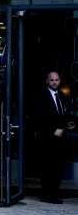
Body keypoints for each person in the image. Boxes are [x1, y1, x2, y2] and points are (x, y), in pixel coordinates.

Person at [35, 71, 69, 204]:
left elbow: (65, 115)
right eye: (52, 80)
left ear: (59, 81)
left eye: (56, 80)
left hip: (61, 138)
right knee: (48, 167)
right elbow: (39, 117)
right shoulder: (41, 96)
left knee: (59, 167)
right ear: (47, 81)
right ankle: (47, 195)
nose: (54, 82)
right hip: (47, 138)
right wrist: (54, 131)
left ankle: (55, 193)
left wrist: (63, 129)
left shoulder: (62, 95)